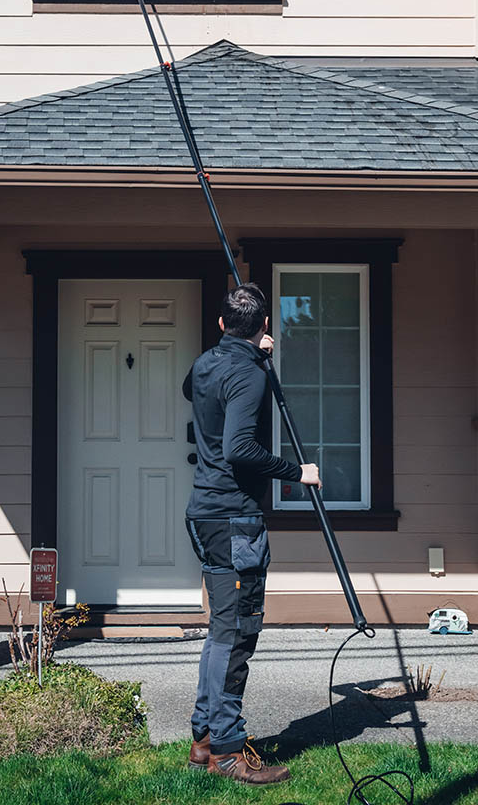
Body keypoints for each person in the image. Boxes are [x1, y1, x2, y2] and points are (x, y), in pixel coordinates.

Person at [183, 283, 321, 785]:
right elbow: (241, 448)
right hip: (234, 518)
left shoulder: (205, 365)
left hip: (204, 513)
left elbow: (191, 391)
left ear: (221, 325)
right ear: (264, 327)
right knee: (238, 633)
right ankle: (226, 748)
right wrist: (296, 473)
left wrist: (252, 356)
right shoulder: (249, 375)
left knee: (222, 631)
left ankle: (204, 740)